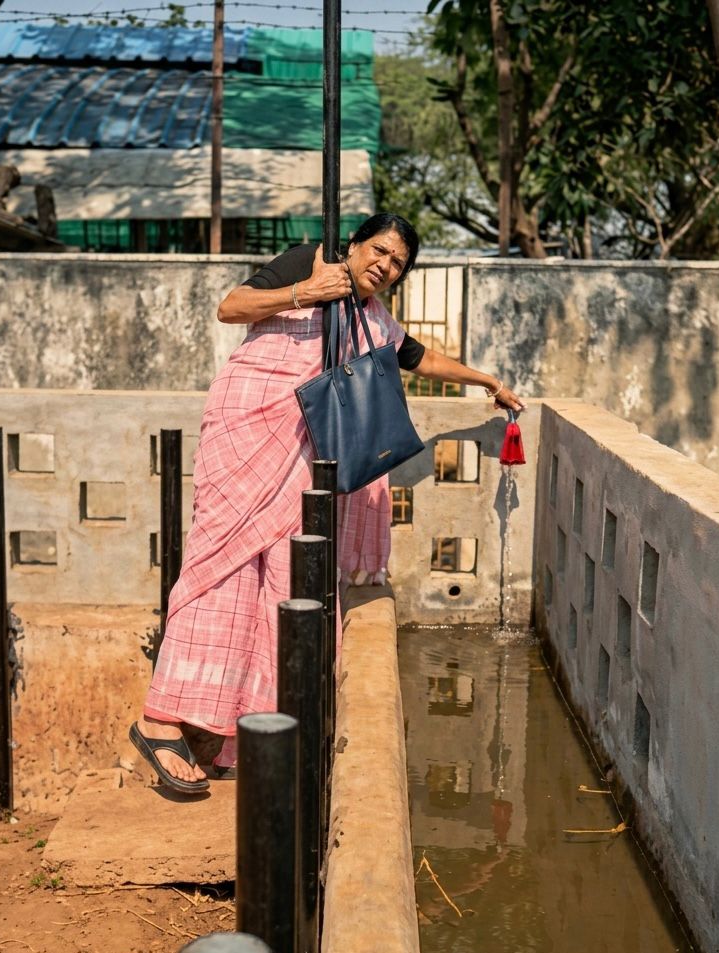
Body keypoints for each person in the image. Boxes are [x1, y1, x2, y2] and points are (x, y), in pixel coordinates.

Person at [129, 213, 523, 793]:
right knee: (218, 571)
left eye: (397, 264)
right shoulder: (310, 262)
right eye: (379, 251)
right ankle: (158, 720)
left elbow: (417, 358)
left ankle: (239, 728)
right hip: (246, 430)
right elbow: (231, 306)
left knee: (284, 583)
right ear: (356, 244)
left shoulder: (371, 321)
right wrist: (306, 291)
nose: (384, 266)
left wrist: (487, 380)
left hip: (300, 450)